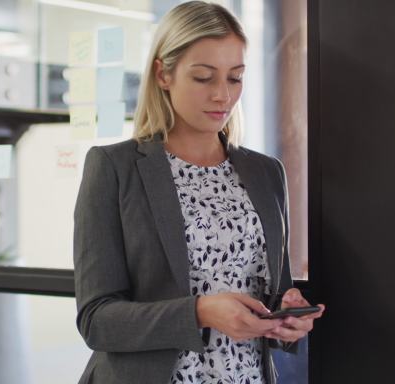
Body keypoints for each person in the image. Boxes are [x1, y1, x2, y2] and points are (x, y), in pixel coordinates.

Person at [73, 2, 325, 383]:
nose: (223, 95)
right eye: (204, 78)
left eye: (235, 77)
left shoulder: (266, 173)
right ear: (163, 74)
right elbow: (97, 320)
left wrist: (286, 316)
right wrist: (200, 311)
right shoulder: (114, 168)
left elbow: (270, 289)